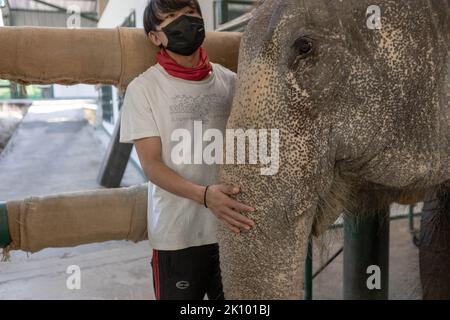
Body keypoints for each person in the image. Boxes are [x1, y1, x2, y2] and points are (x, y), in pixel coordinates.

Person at [119, 0, 255, 300]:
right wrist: (206, 196)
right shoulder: (144, 90)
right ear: (155, 37)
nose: (183, 21)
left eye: (190, 14)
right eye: (170, 18)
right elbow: (152, 166)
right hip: (177, 237)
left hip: (232, 229)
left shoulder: (230, 83)